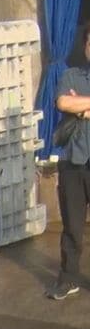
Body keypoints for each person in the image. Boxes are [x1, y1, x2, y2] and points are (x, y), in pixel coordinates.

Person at [49, 22, 90, 300]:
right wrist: (77, 108)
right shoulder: (72, 75)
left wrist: (83, 107)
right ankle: (69, 278)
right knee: (72, 227)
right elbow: (64, 103)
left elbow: (74, 105)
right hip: (74, 163)